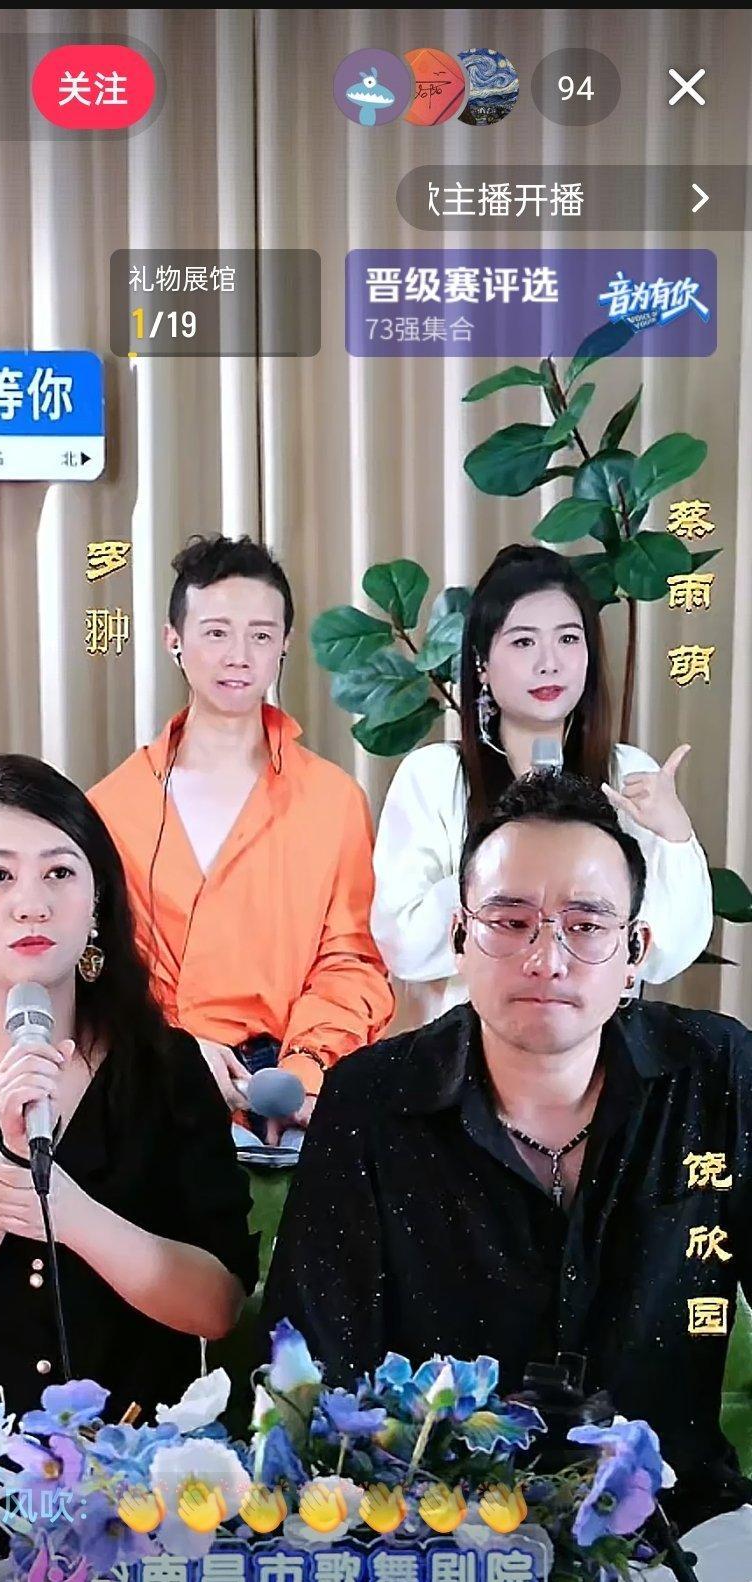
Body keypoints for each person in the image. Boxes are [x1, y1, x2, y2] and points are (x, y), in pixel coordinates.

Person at [264, 769, 752, 1526]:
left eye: (585, 926)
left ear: (634, 951)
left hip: (676, 1524)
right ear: (460, 938)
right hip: (433, 1535)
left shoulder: (713, 1075)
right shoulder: (369, 1101)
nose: (545, 959)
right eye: (510, 920)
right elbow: (313, 1370)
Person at [0, 757, 258, 1486]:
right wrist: (6, 1164)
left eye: (60, 872)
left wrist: (74, 1213)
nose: (32, 903)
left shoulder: (167, 1069)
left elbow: (216, 1307)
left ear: (97, 901)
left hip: (132, 1483)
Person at [89, 533, 394, 1148]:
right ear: (174, 640)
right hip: (152, 1079)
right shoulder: (110, 805)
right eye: (216, 632)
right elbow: (97, 965)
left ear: (284, 644)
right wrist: (175, 1048)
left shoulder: (332, 799)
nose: (239, 656)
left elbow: (353, 960)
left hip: (295, 1082)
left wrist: (304, 1068)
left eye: (260, 635)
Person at [371, 543, 713, 1030]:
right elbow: (403, 943)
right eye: (523, 642)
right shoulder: (434, 776)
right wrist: (509, 855)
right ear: (482, 663)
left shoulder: (629, 775)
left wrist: (675, 838)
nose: (549, 663)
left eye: (568, 639)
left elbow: (663, 955)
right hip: (465, 1048)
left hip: (596, 1048)